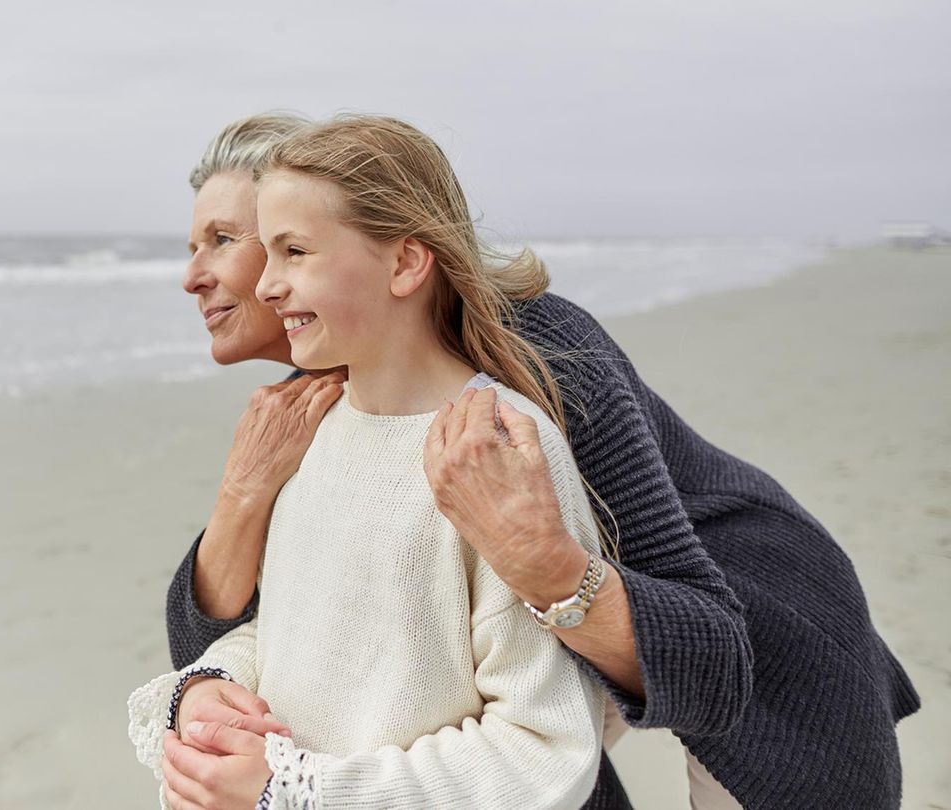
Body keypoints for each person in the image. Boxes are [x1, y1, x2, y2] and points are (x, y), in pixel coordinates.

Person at [157, 113, 920, 809]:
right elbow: (266, 645)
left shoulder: (536, 352)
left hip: (757, 635)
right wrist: (241, 497)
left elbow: (713, 663)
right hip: (576, 643)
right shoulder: (323, 399)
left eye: (227, 238)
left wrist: (544, 562)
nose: (198, 274)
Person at [129, 114, 607, 809]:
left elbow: (542, 746)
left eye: (294, 251)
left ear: (407, 263)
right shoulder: (313, 426)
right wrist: (210, 691)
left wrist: (296, 791)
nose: (266, 285)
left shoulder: (500, 447)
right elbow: (297, 629)